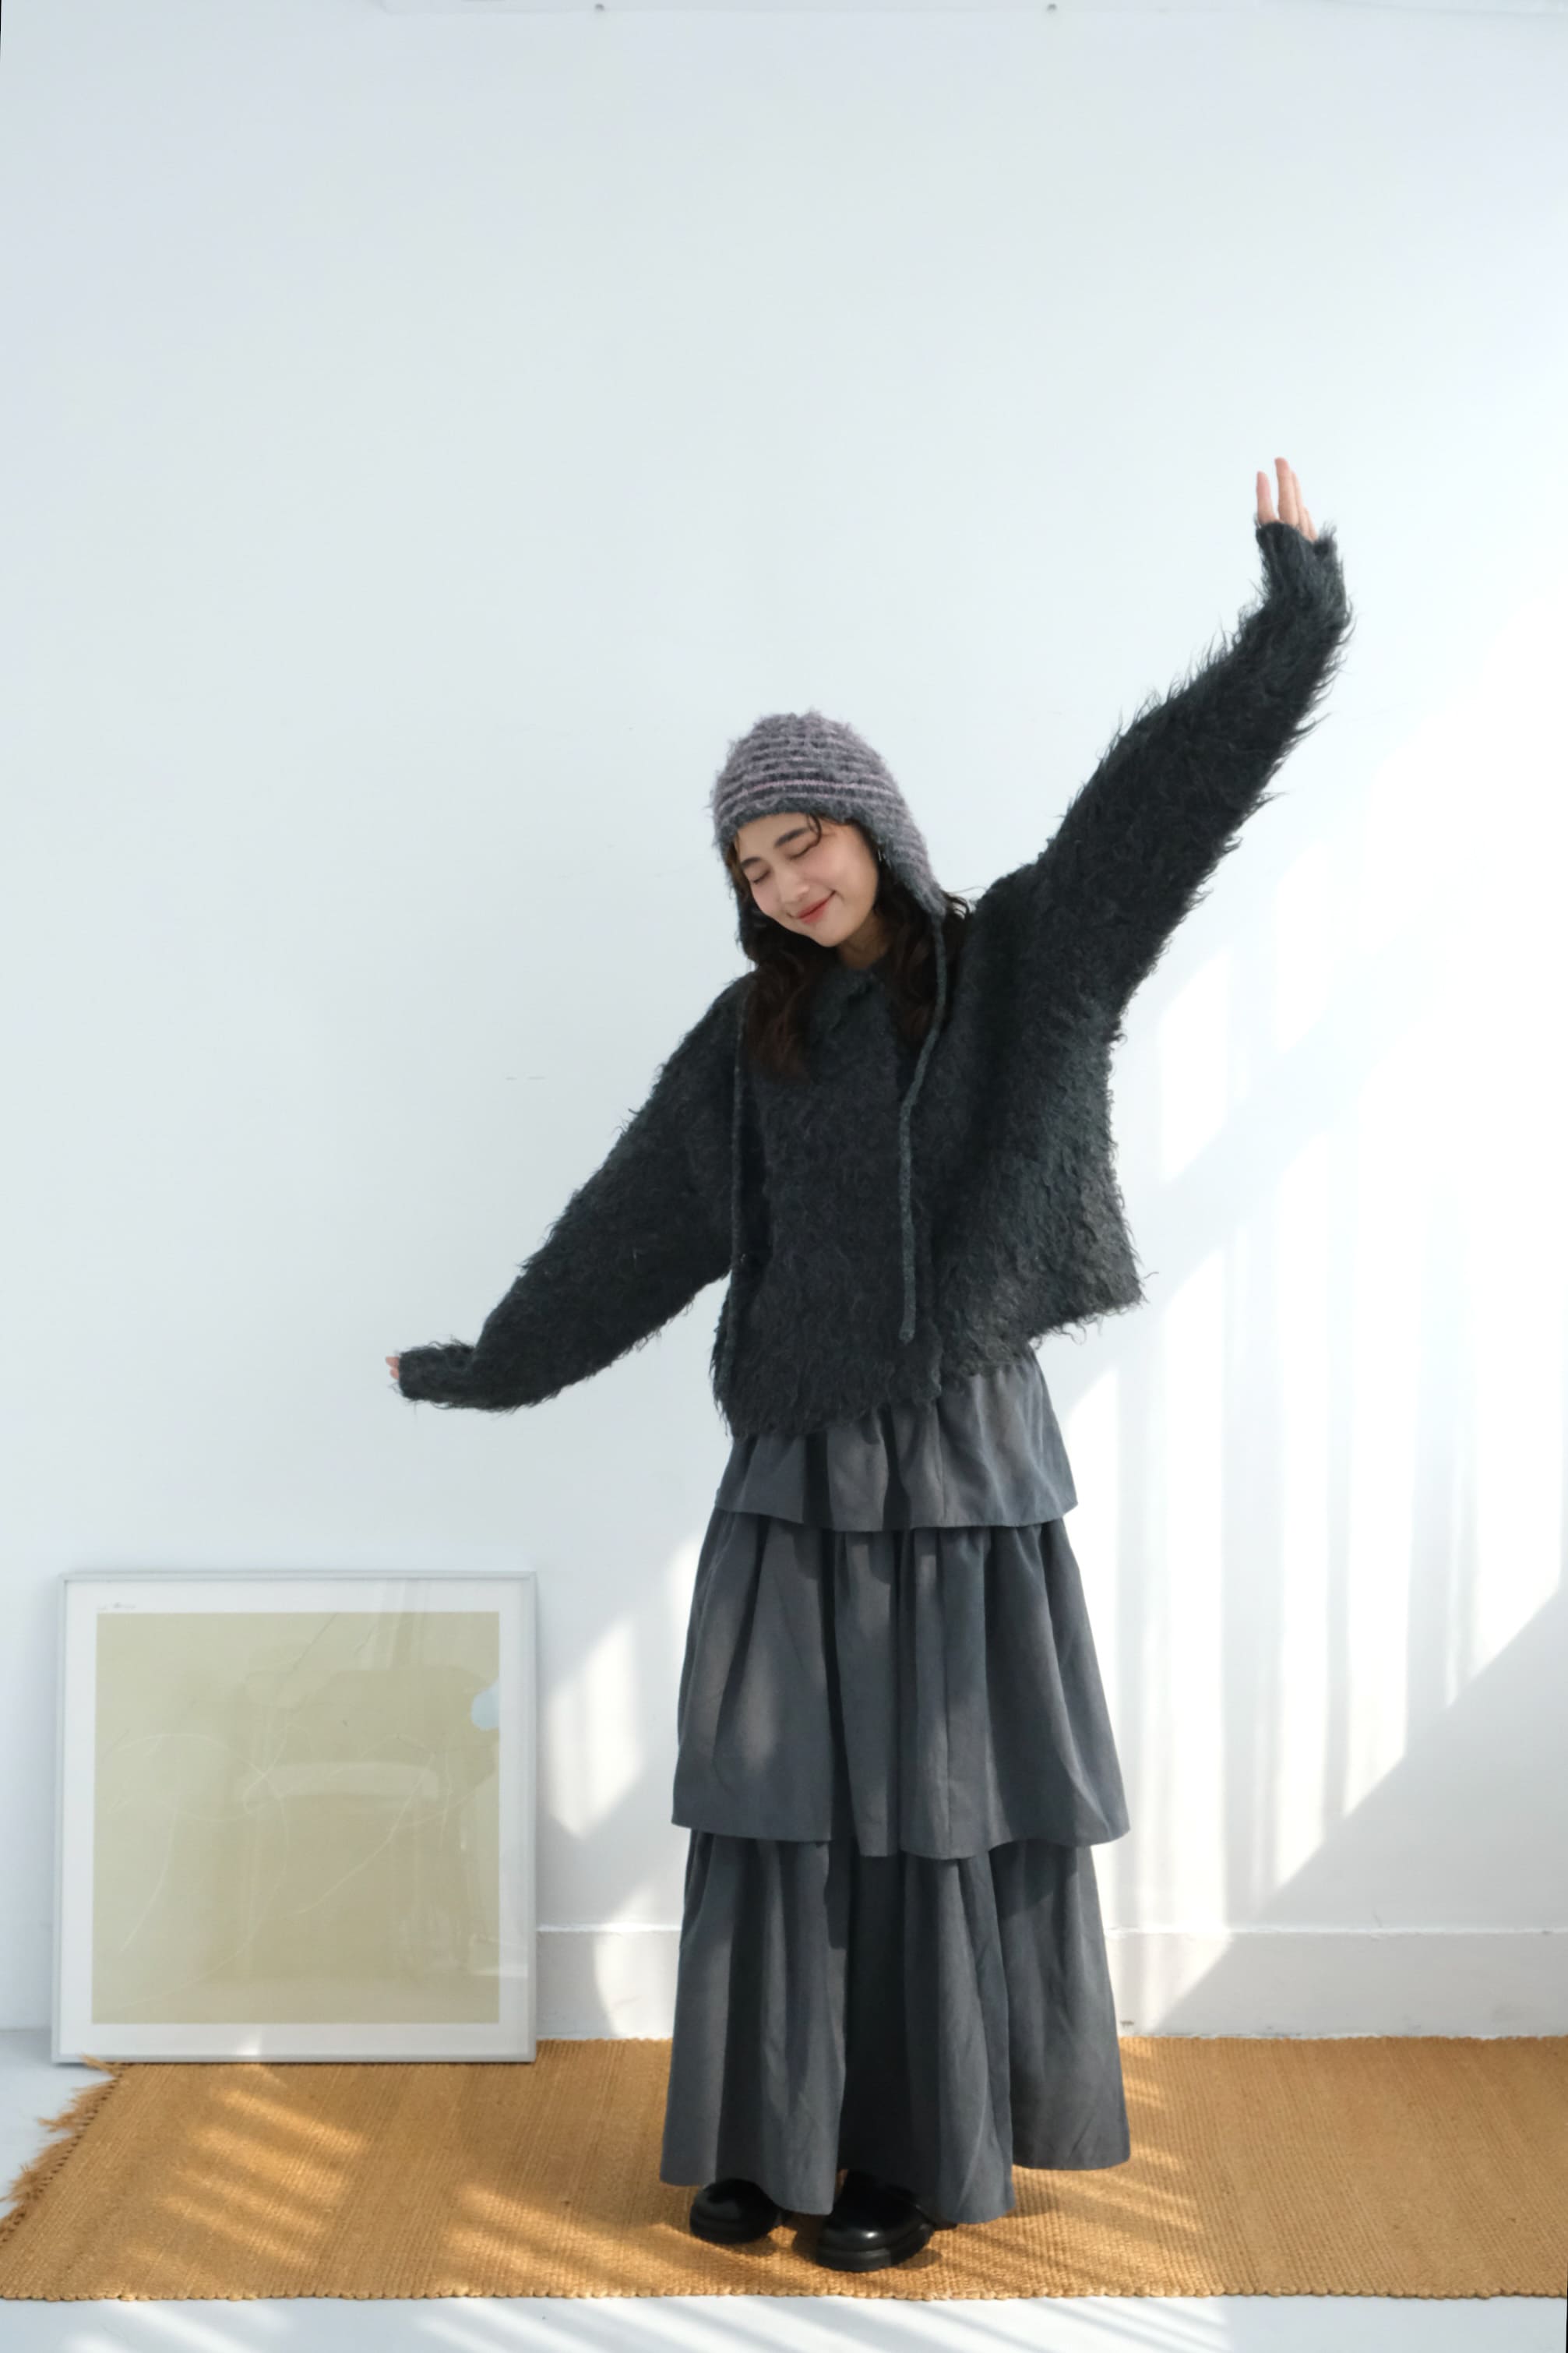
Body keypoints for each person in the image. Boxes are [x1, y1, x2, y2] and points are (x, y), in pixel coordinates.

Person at [389, 459, 1354, 2270]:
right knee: (776, 1815)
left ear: (871, 826)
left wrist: (1289, 620)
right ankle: (768, 2141)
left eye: (802, 840)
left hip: (958, 1464)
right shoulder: (746, 1035)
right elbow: (636, 1222)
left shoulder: (1020, 963)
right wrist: (498, 1361)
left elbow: (1159, 804)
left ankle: (908, 2157)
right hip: (790, 1467)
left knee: (930, 1813)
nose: (785, 881)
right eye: (753, 866)